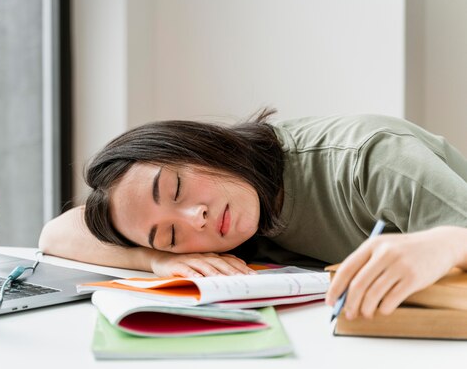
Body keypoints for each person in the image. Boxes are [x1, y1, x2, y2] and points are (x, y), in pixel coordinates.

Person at [38, 109, 467, 321]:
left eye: (176, 189)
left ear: (200, 145)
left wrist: (447, 244)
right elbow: (54, 234)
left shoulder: (370, 159)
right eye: (170, 234)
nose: (195, 218)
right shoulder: (232, 216)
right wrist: (156, 260)